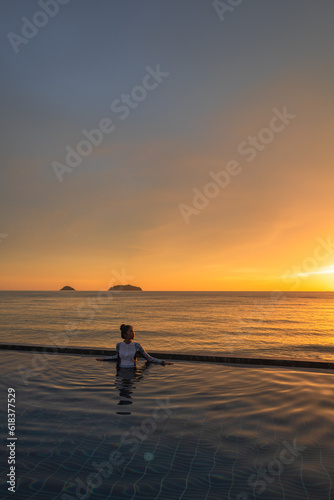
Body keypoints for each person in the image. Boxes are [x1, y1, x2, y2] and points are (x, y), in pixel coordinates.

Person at [96, 324, 173, 367]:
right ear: (125, 334)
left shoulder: (137, 346)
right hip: (120, 371)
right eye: (131, 332)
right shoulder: (119, 345)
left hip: (132, 371)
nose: (133, 333)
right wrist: (103, 359)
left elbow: (148, 358)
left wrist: (163, 362)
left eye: (133, 331)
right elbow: (116, 357)